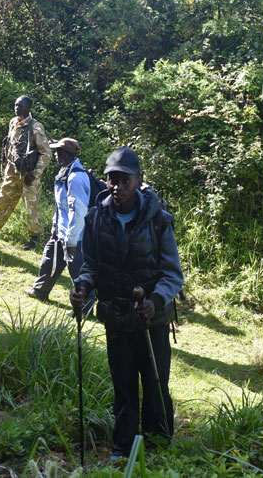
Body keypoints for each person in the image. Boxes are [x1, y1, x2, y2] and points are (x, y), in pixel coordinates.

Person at [70, 146, 184, 460]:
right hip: (116, 317)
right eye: (111, 179)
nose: (117, 186)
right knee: (123, 387)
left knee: (156, 384)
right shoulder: (96, 218)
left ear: (138, 180)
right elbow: (90, 265)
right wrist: (82, 286)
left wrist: (157, 300)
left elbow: (172, 274)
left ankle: (159, 447)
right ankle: (122, 448)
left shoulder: (158, 220)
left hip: (151, 321)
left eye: (124, 179)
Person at [26, 138, 93, 312]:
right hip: (60, 231)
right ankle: (40, 290)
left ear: (63, 154)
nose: (55, 154)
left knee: (78, 273)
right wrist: (56, 225)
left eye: (57, 152)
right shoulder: (65, 173)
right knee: (49, 259)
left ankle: (85, 307)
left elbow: (78, 213)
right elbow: (62, 206)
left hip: (75, 236)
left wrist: (71, 242)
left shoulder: (76, 178)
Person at [0, 96, 51, 250]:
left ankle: (35, 237)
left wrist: (35, 174)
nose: (16, 108)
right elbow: (10, 145)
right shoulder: (13, 122)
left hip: (29, 174)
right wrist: (6, 163)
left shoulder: (35, 127)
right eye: (15, 105)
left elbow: (46, 153)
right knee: (3, 199)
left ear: (28, 108)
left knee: (31, 205)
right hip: (12, 171)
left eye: (20, 105)